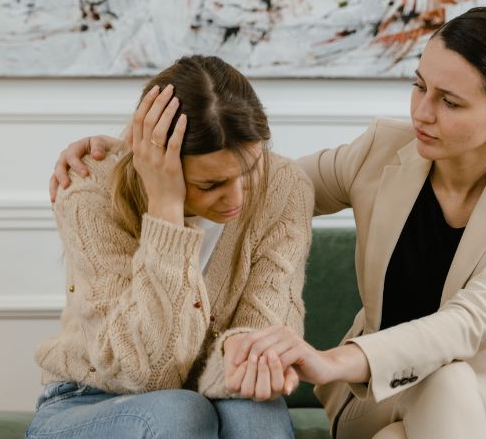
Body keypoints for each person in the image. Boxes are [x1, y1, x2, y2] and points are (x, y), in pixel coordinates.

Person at [50, 7, 486, 439]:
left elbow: (468, 323)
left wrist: (333, 361)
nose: (421, 112)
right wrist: (126, 154)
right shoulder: (383, 152)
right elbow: (248, 178)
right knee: (440, 388)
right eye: (418, 86)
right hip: (384, 395)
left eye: (448, 102)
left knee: (447, 381)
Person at [30, 55, 313, 439]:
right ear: (156, 163)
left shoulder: (284, 186)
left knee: (256, 412)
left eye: (250, 170)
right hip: (89, 401)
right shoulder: (89, 193)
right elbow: (145, 373)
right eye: (210, 185)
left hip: (213, 393)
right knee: (181, 413)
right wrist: (166, 212)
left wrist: (244, 354)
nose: (237, 198)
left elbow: (260, 352)